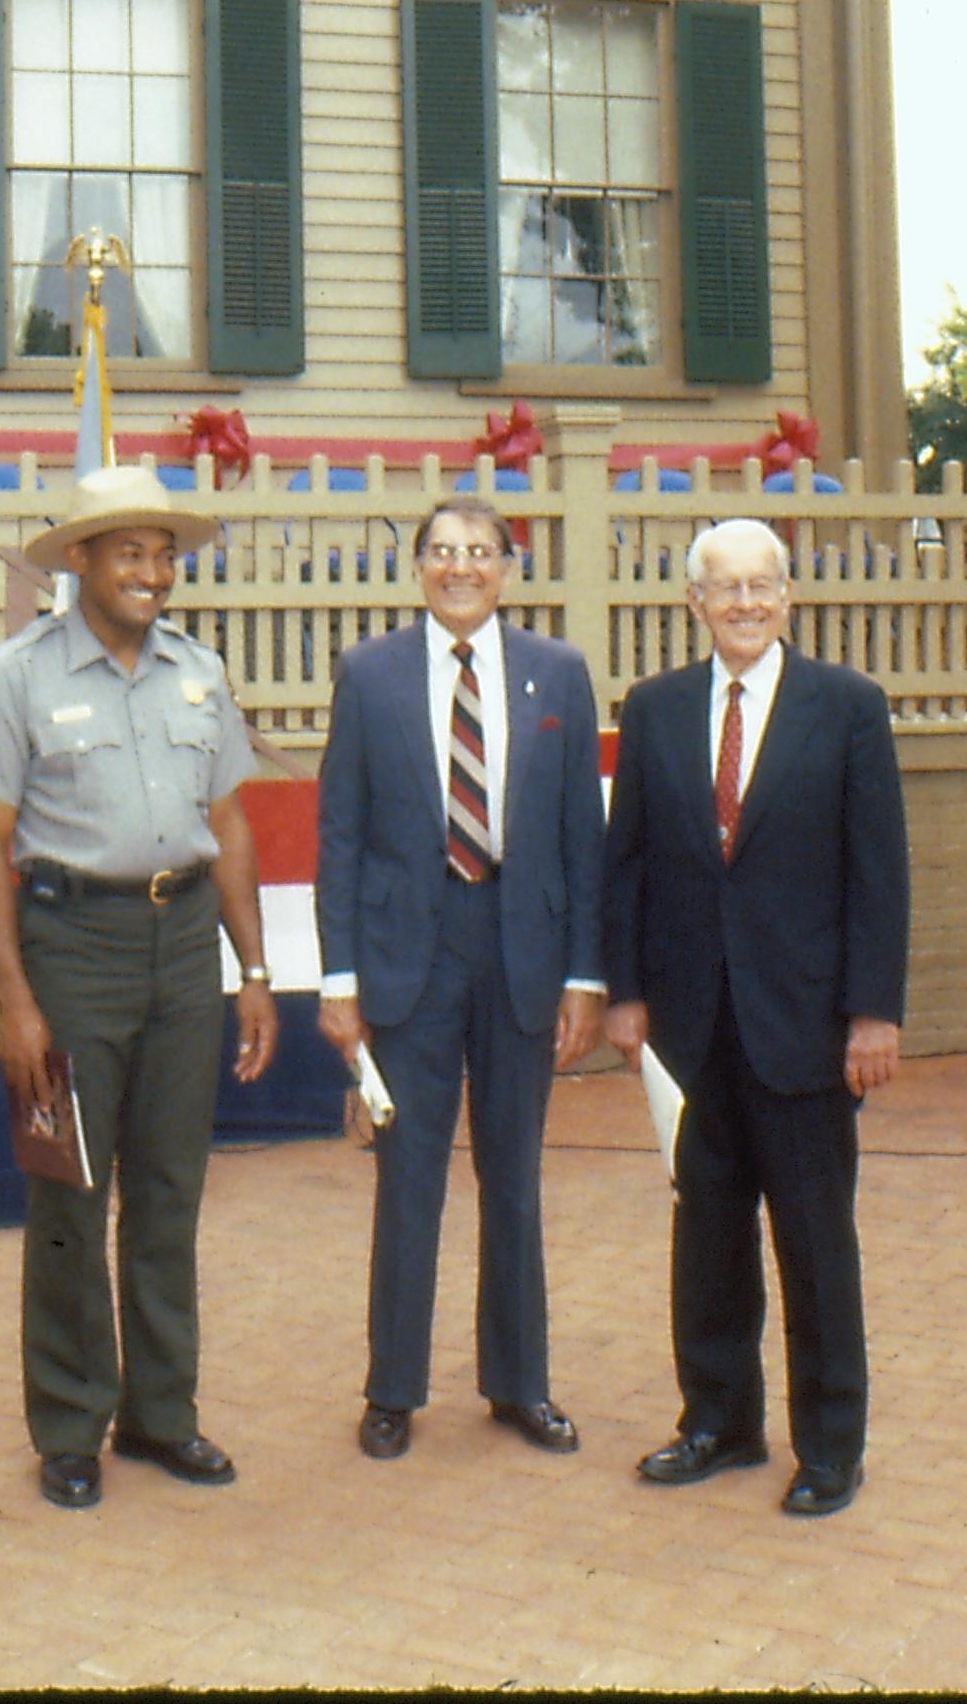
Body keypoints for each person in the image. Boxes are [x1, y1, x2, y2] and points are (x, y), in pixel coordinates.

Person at [0, 463, 280, 1512]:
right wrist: (14, 1000)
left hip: (181, 943)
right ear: (79, 561)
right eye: (128, 552)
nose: (150, 572)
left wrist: (255, 969)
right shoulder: (15, 676)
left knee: (170, 1187)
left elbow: (226, 823)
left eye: (162, 553)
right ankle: (67, 1421)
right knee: (67, 1189)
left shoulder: (197, 670)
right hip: (71, 943)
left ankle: (160, 1414)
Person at [600, 517, 907, 1519]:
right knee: (708, 1233)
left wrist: (871, 1014)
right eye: (720, 587)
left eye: (759, 584)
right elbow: (628, 863)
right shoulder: (652, 710)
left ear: (787, 595)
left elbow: (878, 873)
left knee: (816, 1241)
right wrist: (628, 995)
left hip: (807, 1024)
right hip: (691, 1025)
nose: (741, 602)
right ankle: (718, 1421)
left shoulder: (848, 707)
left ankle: (829, 1446)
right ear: (692, 603)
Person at [313, 494, 608, 1462]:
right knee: (407, 1176)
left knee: (512, 1177)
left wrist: (582, 977)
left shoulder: (556, 673)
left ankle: (519, 1383)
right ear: (416, 566)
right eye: (441, 551)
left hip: (521, 951)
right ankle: (392, 1386)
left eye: (478, 551)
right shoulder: (368, 674)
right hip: (409, 958)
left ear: (506, 567)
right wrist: (338, 978)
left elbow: (580, 838)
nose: (459, 567)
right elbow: (340, 835)